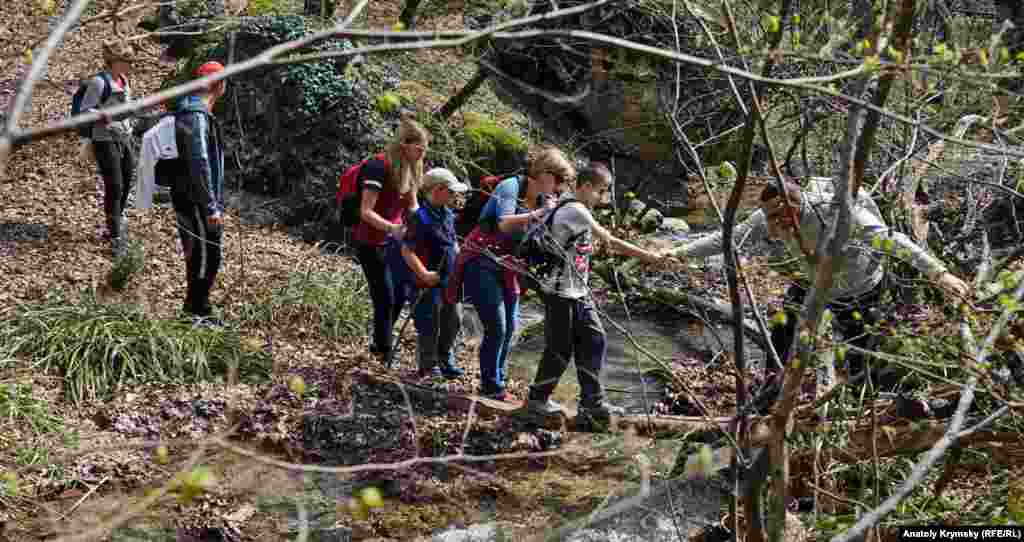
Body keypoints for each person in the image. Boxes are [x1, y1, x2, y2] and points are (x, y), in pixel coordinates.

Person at [672, 178, 969, 373]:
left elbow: (894, 241)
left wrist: (940, 275)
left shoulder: (839, 214)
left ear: (794, 205)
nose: (771, 225)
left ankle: (861, 404)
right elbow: (727, 238)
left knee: (859, 352)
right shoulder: (768, 216)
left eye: (776, 217)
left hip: (858, 288)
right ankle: (773, 388)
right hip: (812, 282)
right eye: (768, 217)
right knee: (782, 332)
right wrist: (679, 253)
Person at [524, 164, 668, 425]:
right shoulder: (575, 209)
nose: (605, 197)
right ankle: (537, 399)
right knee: (560, 349)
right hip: (559, 293)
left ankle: (592, 403)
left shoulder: (578, 208)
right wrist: (651, 257)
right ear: (587, 186)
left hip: (578, 291)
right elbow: (609, 241)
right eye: (602, 191)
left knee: (594, 339)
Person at [445, 146, 573, 401]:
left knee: (511, 327)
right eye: (559, 180)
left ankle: (499, 378)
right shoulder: (510, 187)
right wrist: (541, 213)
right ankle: (491, 386)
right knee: (497, 327)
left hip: (509, 268)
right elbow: (504, 222)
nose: (560, 187)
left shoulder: (544, 199)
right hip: (481, 261)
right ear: (545, 174)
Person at [354, 114, 429, 361]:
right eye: (419, 148)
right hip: (369, 242)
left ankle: (379, 344)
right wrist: (392, 228)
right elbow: (365, 212)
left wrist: (429, 227)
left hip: (393, 242)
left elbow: (413, 207)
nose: (422, 154)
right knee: (384, 296)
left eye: (424, 149)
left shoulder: (409, 169)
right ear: (404, 145)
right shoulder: (378, 167)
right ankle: (383, 352)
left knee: (398, 294)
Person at [392, 168, 468, 379]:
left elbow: (452, 243)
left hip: (449, 280)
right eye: (450, 191)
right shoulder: (420, 218)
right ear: (437, 190)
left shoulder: (448, 214)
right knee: (429, 323)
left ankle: (445, 358)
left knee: (453, 320)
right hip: (427, 282)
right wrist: (424, 273)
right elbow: (407, 250)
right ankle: (429, 364)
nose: (454, 195)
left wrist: (460, 268)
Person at [169, 61, 227, 323]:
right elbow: (199, 161)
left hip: (192, 195)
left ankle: (198, 308)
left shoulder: (195, 111)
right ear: (218, 84)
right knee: (205, 254)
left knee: (204, 253)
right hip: (196, 198)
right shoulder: (196, 115)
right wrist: (210, 206)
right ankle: (194, 311)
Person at [80, 41, 136, 256]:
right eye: (128, 61)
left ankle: (116, 221)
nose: (131, 65)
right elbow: (85, 111)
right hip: (104, 139)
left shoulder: (124, 80)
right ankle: (115, 236)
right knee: (115, 185)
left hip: (124, 137)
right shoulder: (98, 83)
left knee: (127, 179)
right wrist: (104, 117)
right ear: (115, 61)